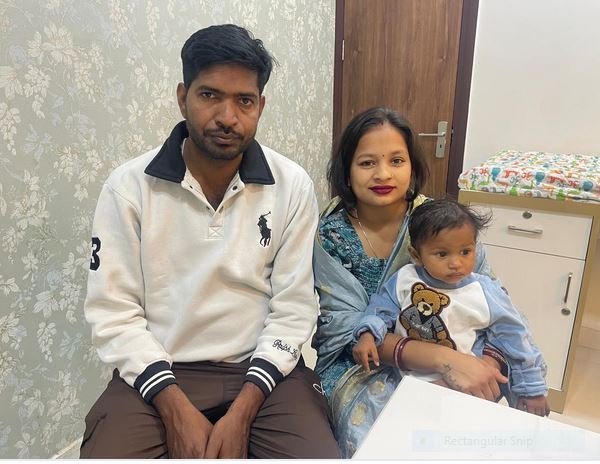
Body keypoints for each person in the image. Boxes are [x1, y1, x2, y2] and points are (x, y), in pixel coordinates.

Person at [80, 24, 339, 459]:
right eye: (209, 95)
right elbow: (114, 311)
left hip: (264, 373)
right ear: (183, 98)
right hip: (161, 371)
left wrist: (244, 411)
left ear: (260, 106)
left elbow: (294, 308)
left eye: (244, 101)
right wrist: (173, 406)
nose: (227, 116)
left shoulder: (291, 185)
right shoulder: (129, 188)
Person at [312, 107, 513, 457]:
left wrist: (483, 369)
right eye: (367, 163)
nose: (383, 174)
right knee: (386, 440)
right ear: (347, 170)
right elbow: (344, 330)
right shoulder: (332, 234)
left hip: (461, 350)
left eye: (396, 160)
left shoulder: (443, 224)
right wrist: (441, 360)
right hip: (363, 365)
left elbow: (495, 304)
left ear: (412, 165)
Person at [353, 198, 549, 417]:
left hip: (461, 385)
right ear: (416, 255)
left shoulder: (484, 291)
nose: (456, 263)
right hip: (405, 378)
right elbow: (381, 309)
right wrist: (368, 334)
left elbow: (516, 337)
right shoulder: (405, 278)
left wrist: (532, 390)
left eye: (465, 252)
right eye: (442, 254)